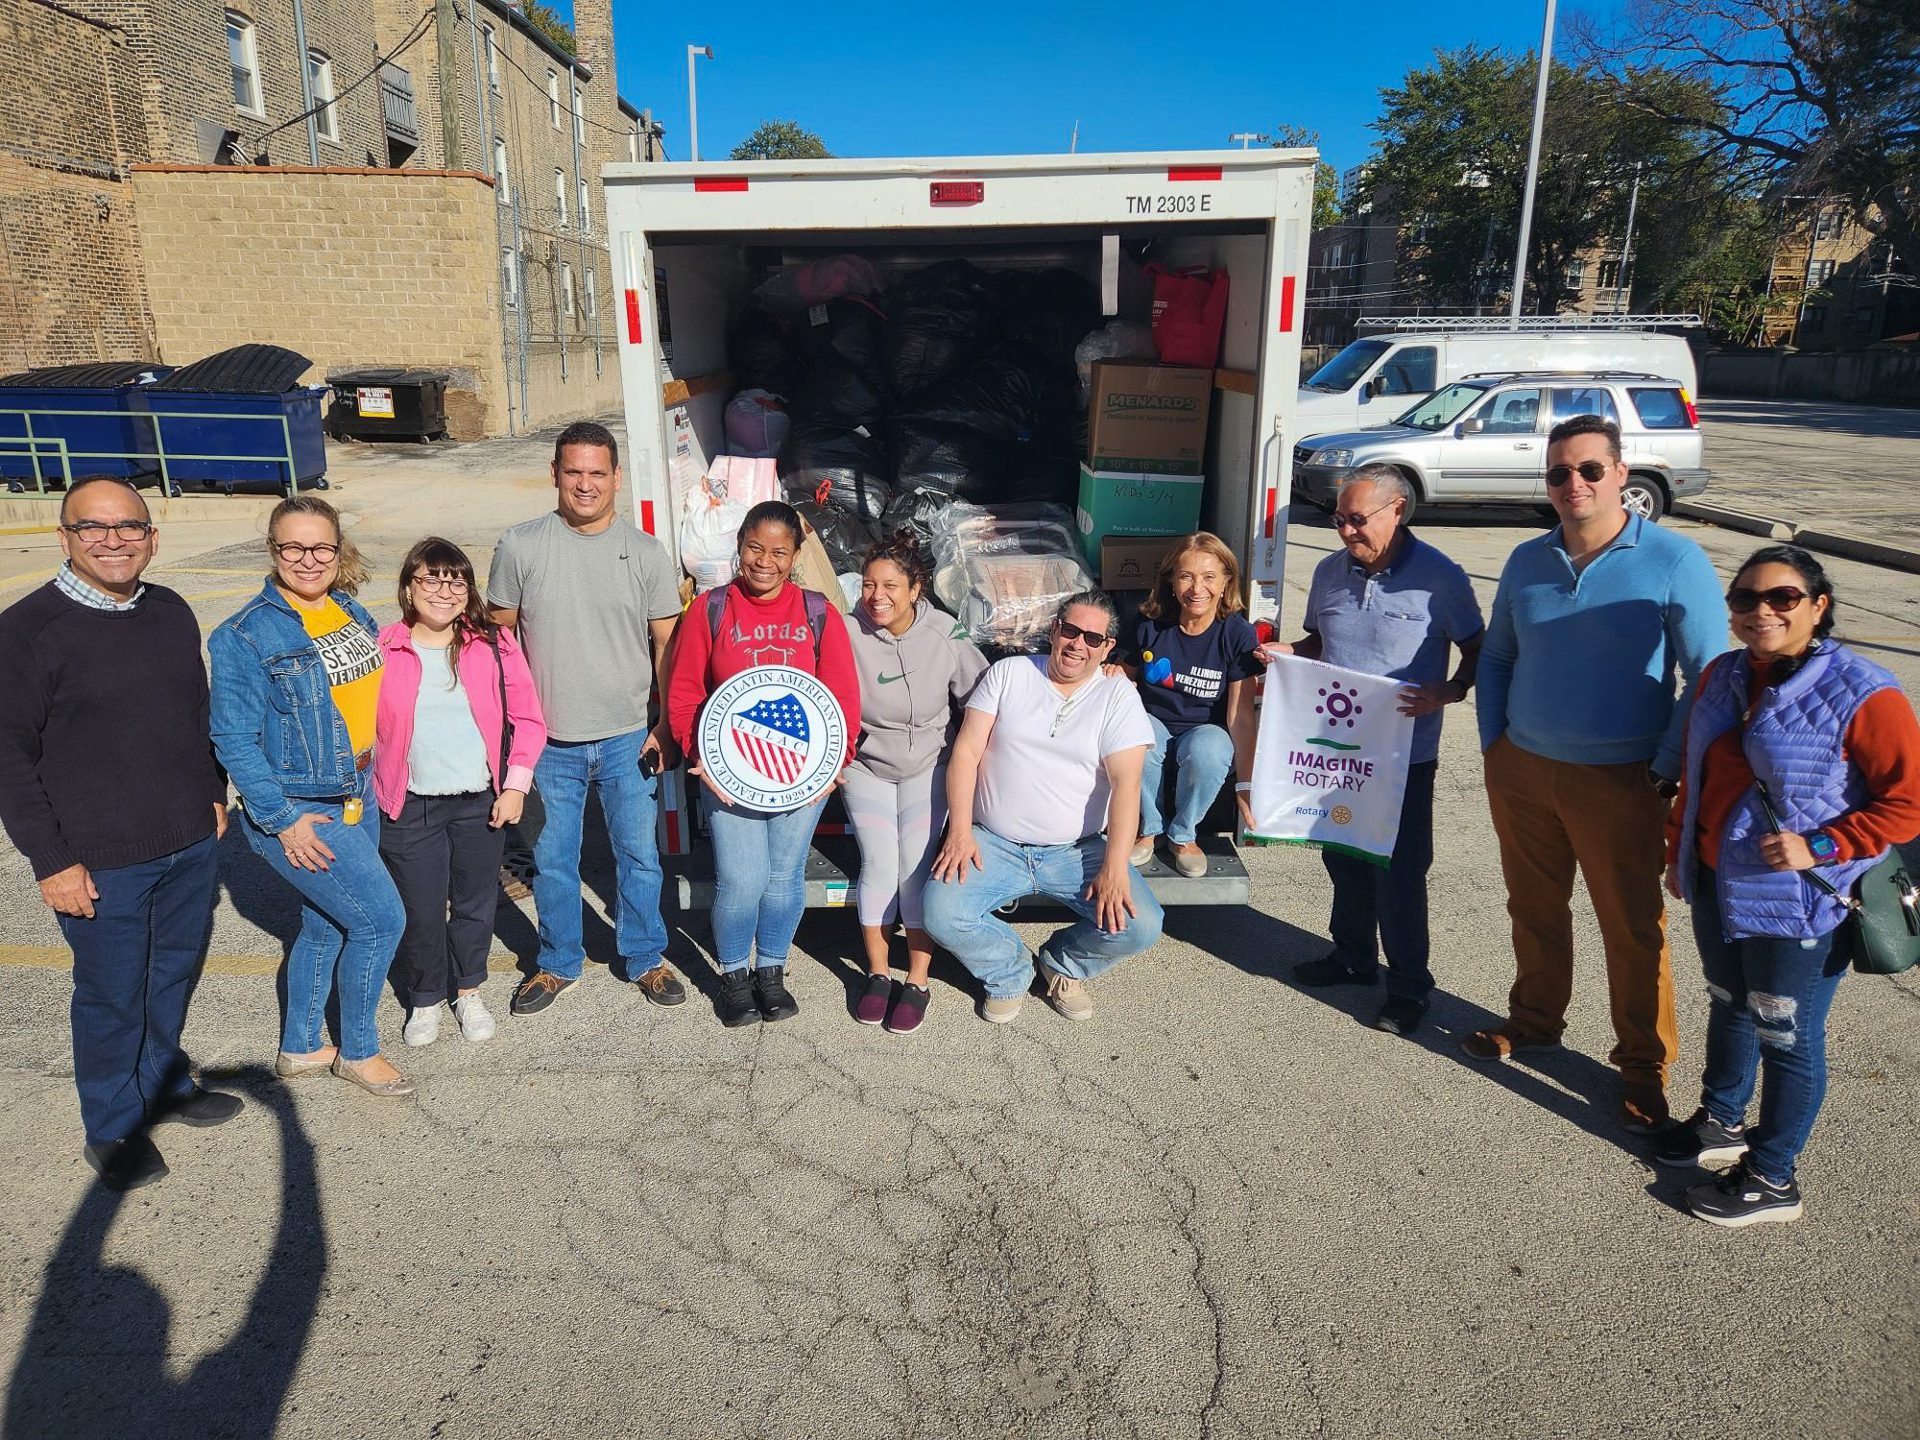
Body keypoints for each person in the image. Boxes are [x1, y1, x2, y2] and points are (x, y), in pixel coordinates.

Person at [1470, 414, 1725, 1133]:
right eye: (1558, 472)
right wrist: (1497, 746)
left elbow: (1706, 675)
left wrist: (1665, 767)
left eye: (1588, 469)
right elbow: (1497, 658)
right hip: (1524, 771)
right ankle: (1535, 1021)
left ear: (1621, 474)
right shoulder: (1526, 561)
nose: (1572, 484)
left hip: (1622, 779)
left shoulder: (1675, 561)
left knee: (1632, 928)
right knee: (1534, 908)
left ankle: (1643, 1064)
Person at [1656, 547, 1920, 1226]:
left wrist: (1822, 846)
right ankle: (1721, 1119)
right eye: (1745, 599)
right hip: (1719, 879)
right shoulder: (1723, 673)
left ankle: (1773, 1178)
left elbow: (1907, 803)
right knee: (1729, 1004)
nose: (1761, 611)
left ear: (1818, 606)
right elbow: (1698, 771)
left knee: (1786, 1034)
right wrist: (1678, 851)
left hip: (1802, 900)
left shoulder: (1865, 691)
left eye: (1782, 597)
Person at [0, 476, 237, 1190]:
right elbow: (9, 757)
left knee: (171, 973)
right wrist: (53, 860)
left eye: (128, 527)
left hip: (190, 841)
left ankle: (162, 1082)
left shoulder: (168, 610)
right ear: (65, 536)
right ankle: (111, 1124)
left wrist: (213, 793)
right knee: (110, 993)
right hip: (101, 860)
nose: (112, 540)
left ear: (152, 538)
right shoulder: (25, 633)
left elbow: (194, 714)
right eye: (93, 528)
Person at [1265, 466, 1484, 1037]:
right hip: (1339, 750)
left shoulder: (1441, 578)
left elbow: (1480, 647)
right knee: (1342, 854)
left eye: (1357, 520)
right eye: (1339, 519)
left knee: (1401, 873)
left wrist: (1452, 689)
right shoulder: (1327, 573)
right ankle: (1354, 958)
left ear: (1398, 510)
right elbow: (1320, 640)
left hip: (1402, 758)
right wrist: (1288, 652)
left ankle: (1410, 988)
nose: (1345, 532)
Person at [210, 496, 411, 1098]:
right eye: (292, 547)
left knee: (326, 923)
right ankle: (358, 1050)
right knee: (380, 922)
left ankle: (300, 1046)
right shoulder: (243, 635)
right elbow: (234, 738)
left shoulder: (350, 612)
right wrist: (281, 819)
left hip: (359, 790)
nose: (307, 559)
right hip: (303, 803)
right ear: (273, 551)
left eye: (319, 547)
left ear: (337, 549)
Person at [486, 421, 686, 1017]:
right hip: (549, 742)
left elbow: (666, 646)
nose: (585, 484)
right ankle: (557, 962)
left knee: (639, 857)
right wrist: (509, 729)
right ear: (553, 473)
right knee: (552, 861)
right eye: (573, 471)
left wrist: (666, 725)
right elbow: (499, 637)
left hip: (629, 736)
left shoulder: (647, 554)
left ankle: (645, 956)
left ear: (616, 478)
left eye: (597, 472)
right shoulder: (520, 546)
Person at [923, 591, 1163, 1023]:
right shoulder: (1010, 673)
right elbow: (966, 753)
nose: (1078, 645)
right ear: (1054, 631)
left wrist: (1115, 866)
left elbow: (1128, 785)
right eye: (1070, 631)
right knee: (941, 913)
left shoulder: (1117, 696)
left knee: (1142, 925)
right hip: (995, 842)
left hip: (1077, 849)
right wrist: (959, 831)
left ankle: (1063, 964)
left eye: (1093, 638)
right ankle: (1009, 972)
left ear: (1108, 646)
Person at [667, 500, 861, 1027]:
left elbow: (842, 696)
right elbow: (684, 692)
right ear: (739, 546)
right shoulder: (710, 609)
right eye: (755, 547)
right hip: (728, 771)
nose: (765, 561)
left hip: (800, 773)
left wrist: (833, 760)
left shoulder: (818, 611)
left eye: (779, 551)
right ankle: (733, 975)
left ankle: (771, 971)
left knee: (784, 878)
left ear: (795, 554)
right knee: (741, 879)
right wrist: (699, 755)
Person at [375, 538, 548, 1047]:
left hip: (479, 800)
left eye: (456, 579)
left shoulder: (492, 644)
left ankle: (469, 990)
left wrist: (515, 786)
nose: (444, 590)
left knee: (474, 904)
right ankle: (426, 996)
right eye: (431, 577)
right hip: (408, 804)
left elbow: (529, 720)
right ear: (409, 586)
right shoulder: (383, 647)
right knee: (421, 909)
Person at [843, 532, 987, 1034]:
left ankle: (918, 979)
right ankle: (879, 974)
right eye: (867, 585)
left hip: (930, 763)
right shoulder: (844, 631)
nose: (877, 596)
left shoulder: (947, 633)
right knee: (881, 863)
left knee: (915, 867)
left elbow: (981, 700)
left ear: (915, 589)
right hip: (865, 766)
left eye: (890, 586)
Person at [1120, 532, 1260, 878]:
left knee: (1208, 749)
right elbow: (1122, 680)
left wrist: (1246, 784)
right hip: (1155, 720)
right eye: (1186, 576)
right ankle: (1149, 829)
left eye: (1209, 577)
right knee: (1139, 737)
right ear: (1170, 581)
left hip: (1204, 728)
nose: (1197, 588)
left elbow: (1241, 716)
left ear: (1227, 582)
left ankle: (1182, 835)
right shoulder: (1148, 624)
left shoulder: (1237, 634)